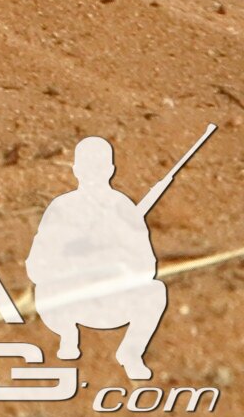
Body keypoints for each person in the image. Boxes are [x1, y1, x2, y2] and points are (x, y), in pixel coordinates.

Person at [25, 136, 177, 380]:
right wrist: (79, 251)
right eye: (88, 166)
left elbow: (147, 268)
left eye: (99, 166)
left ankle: (131, 352)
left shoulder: (123, 209)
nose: (93, 173)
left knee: (155, 290)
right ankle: (67, 337)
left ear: (110, 170)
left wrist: (119, 250)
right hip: (69, 301)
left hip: (112, 301)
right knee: (43, 290)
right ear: (75, 169)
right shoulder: (61, 208)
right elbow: (36, 268)